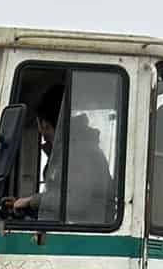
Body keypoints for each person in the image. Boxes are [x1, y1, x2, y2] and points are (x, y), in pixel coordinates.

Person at [8, 84, 117, 224]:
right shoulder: (65, 153)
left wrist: (31, 201)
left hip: (82, 240)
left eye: (38, 125)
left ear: (45, 123)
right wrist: (23, 205)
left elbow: (76, 202)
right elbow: (57, 207)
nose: (40, 132)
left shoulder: (81, 153)